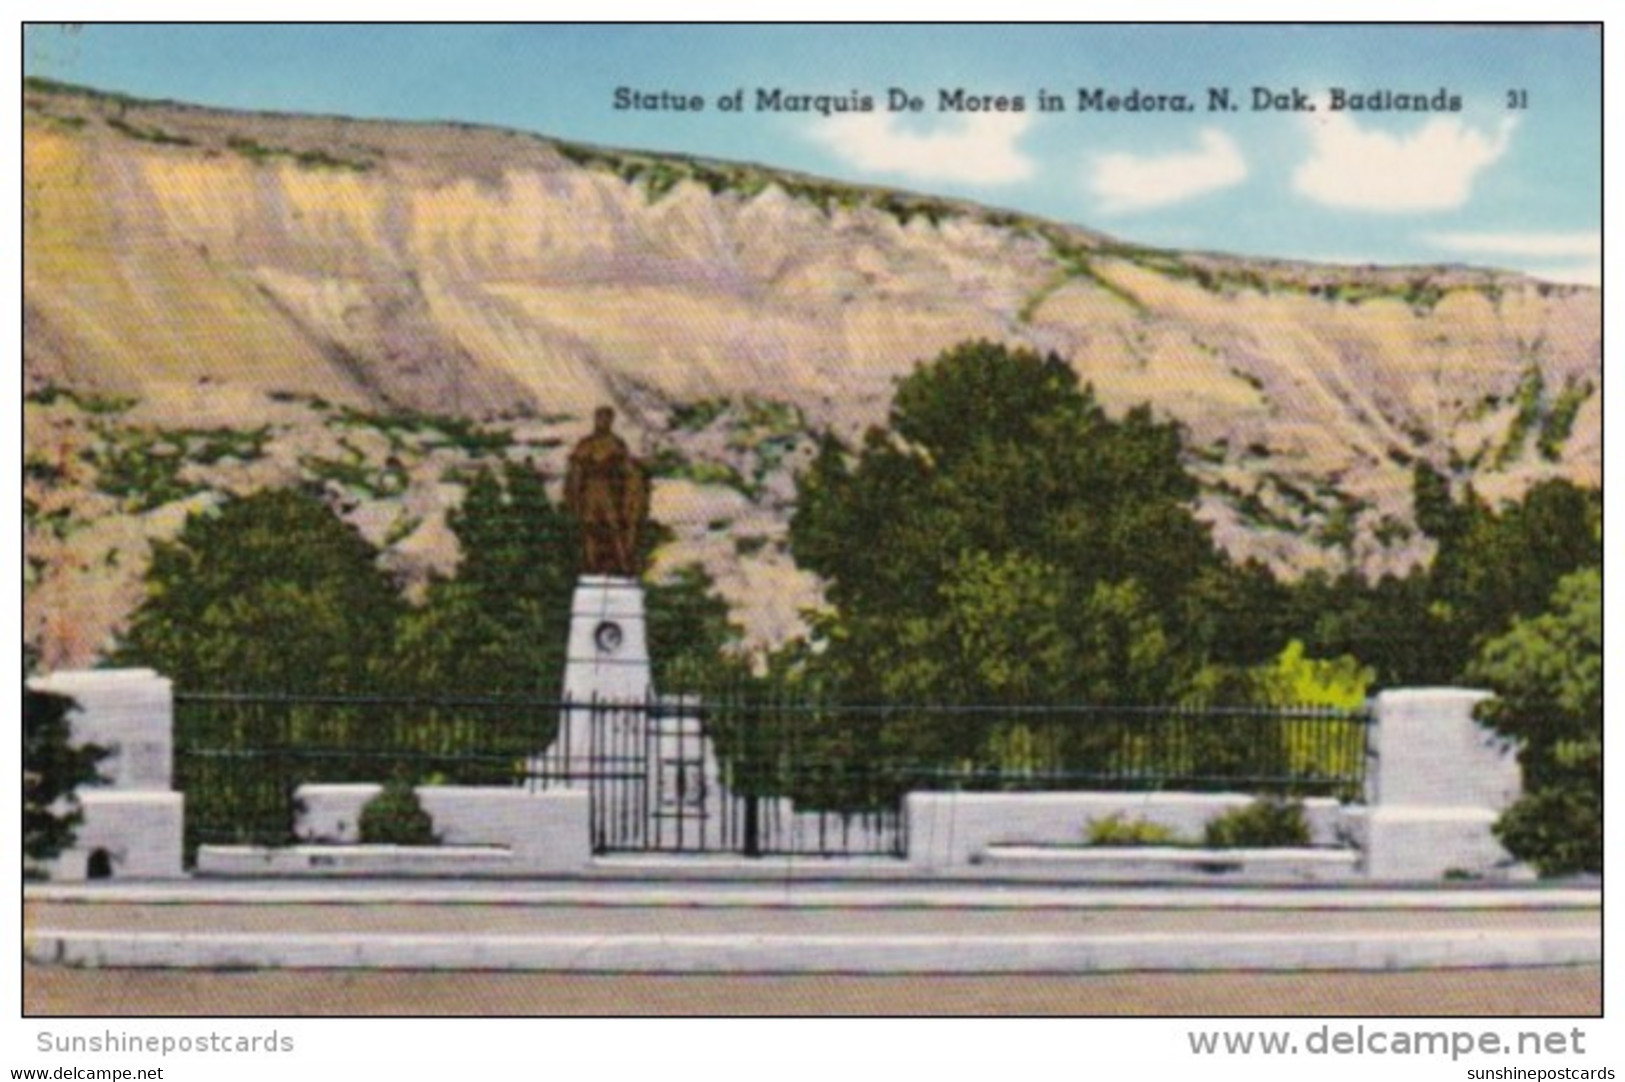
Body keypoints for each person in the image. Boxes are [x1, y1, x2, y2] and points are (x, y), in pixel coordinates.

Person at [564, 406, 648, 577]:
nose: (603, 422)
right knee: (590, 529)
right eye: (600, 418)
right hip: (590, 493)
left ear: (611, 421)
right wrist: (574, 494)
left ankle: (624, 564)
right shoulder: (585, 443)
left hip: (610, 493)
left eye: (607, 418)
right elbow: (576, 470)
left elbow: (627, 470)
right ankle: (591, 565)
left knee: (615, 528)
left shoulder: (616, 443)